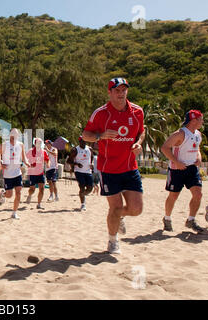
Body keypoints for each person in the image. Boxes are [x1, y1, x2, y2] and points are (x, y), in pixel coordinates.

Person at [82, 77, 145, 254]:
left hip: (130, 167)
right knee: (115, 207)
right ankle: (112, 241)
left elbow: (142, 131)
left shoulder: (137, 111)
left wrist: (138, 143)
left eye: (124, 90)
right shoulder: (101, 113)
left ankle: (119, 217)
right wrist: (100, 136)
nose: (121, 93)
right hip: (109, 169)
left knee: (136, 209)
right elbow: (85, 135)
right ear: (109, 92)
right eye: (117, 90)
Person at [161, 110, 205, 233]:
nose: (202, 121)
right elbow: (164, 148)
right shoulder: (179, 134)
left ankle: (191, 220)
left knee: (198, 194)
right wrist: (176, 162)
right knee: (173, 195)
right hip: (177, 169)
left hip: (191, 168)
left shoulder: (198, 134)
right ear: (193, 120)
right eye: (200, 119)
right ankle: (167, 218)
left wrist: (199, 157)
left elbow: (197, 148)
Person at [0, 128, 30, 219]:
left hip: (17, 173)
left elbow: (24, 157)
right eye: (12, 136)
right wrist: (1, 162)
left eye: (16, 136)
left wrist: (27, 163)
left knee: (19, 192)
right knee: (9, 195)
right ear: (10, 135)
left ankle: (14, 213)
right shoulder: (5, 144)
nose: (14, 138)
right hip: (8, 174)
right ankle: (3, 194)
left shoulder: (20, 145)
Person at [67, 137, 94, 212]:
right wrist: (76, 164)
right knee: (82, 187)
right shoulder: (75, 150)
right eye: (82, 141)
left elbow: (91, 157)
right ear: (79, 142)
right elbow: (68, 161)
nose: (84, 142)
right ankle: (83, 204)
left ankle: (82, 195)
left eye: (85, 141)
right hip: (79, 171)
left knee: (90, 189)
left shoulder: (90, 149)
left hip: (88, 171)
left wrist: (91, 164)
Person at [25, 138, 50, 210]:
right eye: (38, 143)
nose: (39, 144)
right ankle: (29, 195)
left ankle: (39, 204)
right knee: (32, 189)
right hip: (32, 173)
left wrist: (48, 164)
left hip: (41, 173)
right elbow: (25, 160)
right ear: (35, 144)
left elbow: (47, 159)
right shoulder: (30, 151)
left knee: (41, 189)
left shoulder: (43, 152)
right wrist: (29, 164)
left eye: (40, 143)